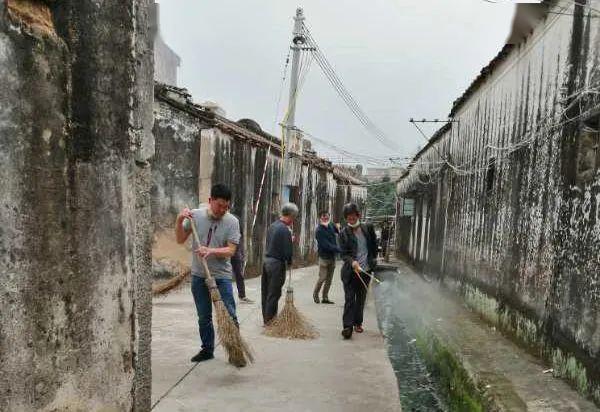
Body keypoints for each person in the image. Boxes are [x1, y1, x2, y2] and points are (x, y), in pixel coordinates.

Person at [175, 184, 241, 363]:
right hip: (199, 275)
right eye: (220, 205)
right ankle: (207, 349)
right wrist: (180, 220)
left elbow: (231, 250)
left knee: (229, 314)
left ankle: (236, 349)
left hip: (222, 276)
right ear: (210, 201)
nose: (223, 210)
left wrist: (211, 251)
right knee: (204, 316)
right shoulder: (195, 216)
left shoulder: (232, 222)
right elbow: (180, 239)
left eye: (226, 207)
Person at [338, 203, 379, 340]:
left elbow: (373, 245)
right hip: (350, 273)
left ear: (358, 215)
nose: (351, 220)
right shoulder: (343, 233)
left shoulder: (367, 228)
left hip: (365, 271)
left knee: (360, 299)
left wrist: (373, 259)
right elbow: (343, 254)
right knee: (350, 299)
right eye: (348, 218)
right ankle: (347, 327)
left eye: (353, 217)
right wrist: (352, 261)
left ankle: (358, 323)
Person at [262, 202, 299, 325]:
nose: (293, 220)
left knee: (266, 292)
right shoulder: (285, 229)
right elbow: (287, 251)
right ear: (291, 215)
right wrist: (289, 261)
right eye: (294, 217)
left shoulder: (273, 225)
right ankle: (271, 321)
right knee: (274, 293)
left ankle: (266, 318)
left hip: (267, 261)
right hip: (276, 264)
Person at [313, 210, 340, 304]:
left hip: (332, 257)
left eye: (327, 216)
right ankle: (315, 293)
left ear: (329, 217)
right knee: (322, 277)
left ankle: (325, 298)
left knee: (329, 279)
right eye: (323, 217)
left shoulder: (331, 225)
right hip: (323, 258)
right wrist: (339, 249)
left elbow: (338, 231)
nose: (325, 218)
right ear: (320, 218)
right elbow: (326, 245)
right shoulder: (319, 231)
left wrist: (338, 228)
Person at [231, 224, 253, 304]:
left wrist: (242, 255)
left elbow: (239, 245)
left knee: (239, 275)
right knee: (222, 275)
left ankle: (242, 296)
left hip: (236, 254)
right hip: (225, 252)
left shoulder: (238, 233)